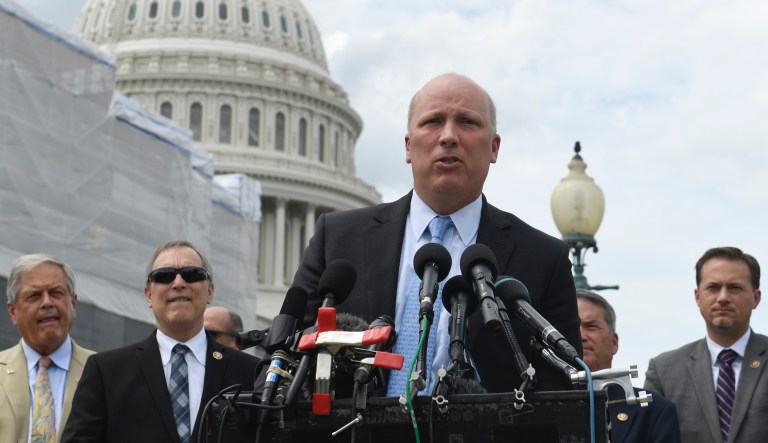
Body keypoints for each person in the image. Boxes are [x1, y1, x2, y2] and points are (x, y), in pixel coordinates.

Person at [291, 73, 581, 394]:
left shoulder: (543, 258)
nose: (448, 136)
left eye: (468, 122)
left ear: (494, 148)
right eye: (433, 122)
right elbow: (287, 354)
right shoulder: (338, 238)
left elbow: (562, 389)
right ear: (408, 146)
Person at [62, 240, 261, 443]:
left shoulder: (251, 372)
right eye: (164, 276)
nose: (178, 283)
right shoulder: (106, 372)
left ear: (209, 291)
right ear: (148, 295)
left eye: (192, 274)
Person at [645, 247, 767, 443]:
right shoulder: (663, 371)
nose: (723, 297)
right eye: (713, 287)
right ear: (697, 296)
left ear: (756, 297)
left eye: (735, 287)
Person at [0, 254, 95, 443]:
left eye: (56, 293)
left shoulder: (106, 373)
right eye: (34, 296)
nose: (47, 303)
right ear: (13, 312)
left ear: (73, 304)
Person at [577, 289, 681, 443]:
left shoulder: (654, 412)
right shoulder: (535, 407)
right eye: (574, 327)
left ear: (614, 343)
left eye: (591, 327)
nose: (581, 336)